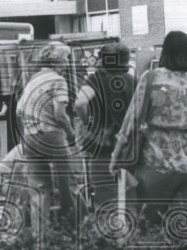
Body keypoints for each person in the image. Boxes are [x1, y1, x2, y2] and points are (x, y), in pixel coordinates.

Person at [111, 31, 187, 226]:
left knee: (149, 223)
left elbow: (131, 121)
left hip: (158, 161)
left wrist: (117, 156)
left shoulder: (151, 78)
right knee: (185, 225)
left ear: (165, 52)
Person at [16, 41, 78, 223]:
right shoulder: (58, 80)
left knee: (39, 188)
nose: (67, 63)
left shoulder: (33, 80)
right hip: (52, 134)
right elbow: (60, 114)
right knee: (68, 183)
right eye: (66, 59)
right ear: (56, 61)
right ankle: (73, 228)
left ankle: (40, 237)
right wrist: (71, 132)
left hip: (30, 136)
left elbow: (19, 110)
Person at [74, 41, 135, 210]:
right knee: (128, 197)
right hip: (128, 147)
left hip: (103, 147)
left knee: (106, 197)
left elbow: (80, 104)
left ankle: (109, 232)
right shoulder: (132, 81)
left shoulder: (95, 79)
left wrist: (90, 123)